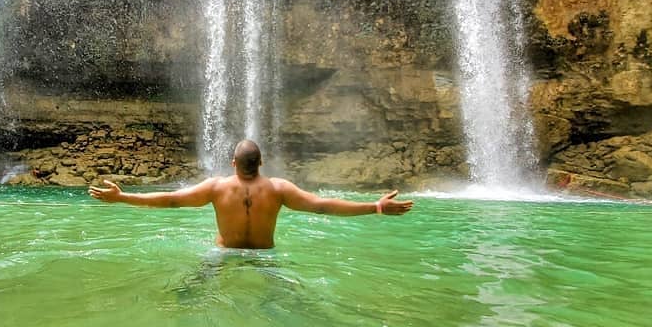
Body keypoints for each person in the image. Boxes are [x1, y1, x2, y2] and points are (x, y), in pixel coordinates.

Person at [88, 139, 413, 249]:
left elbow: (170, 200)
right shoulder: (278, 189)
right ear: (262, 163)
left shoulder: (216, 188)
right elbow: (323, 207)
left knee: (196, 284)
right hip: (265, 258)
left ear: (233, 163)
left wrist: (122, 197)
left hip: (224, 255)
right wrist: (375, 206)